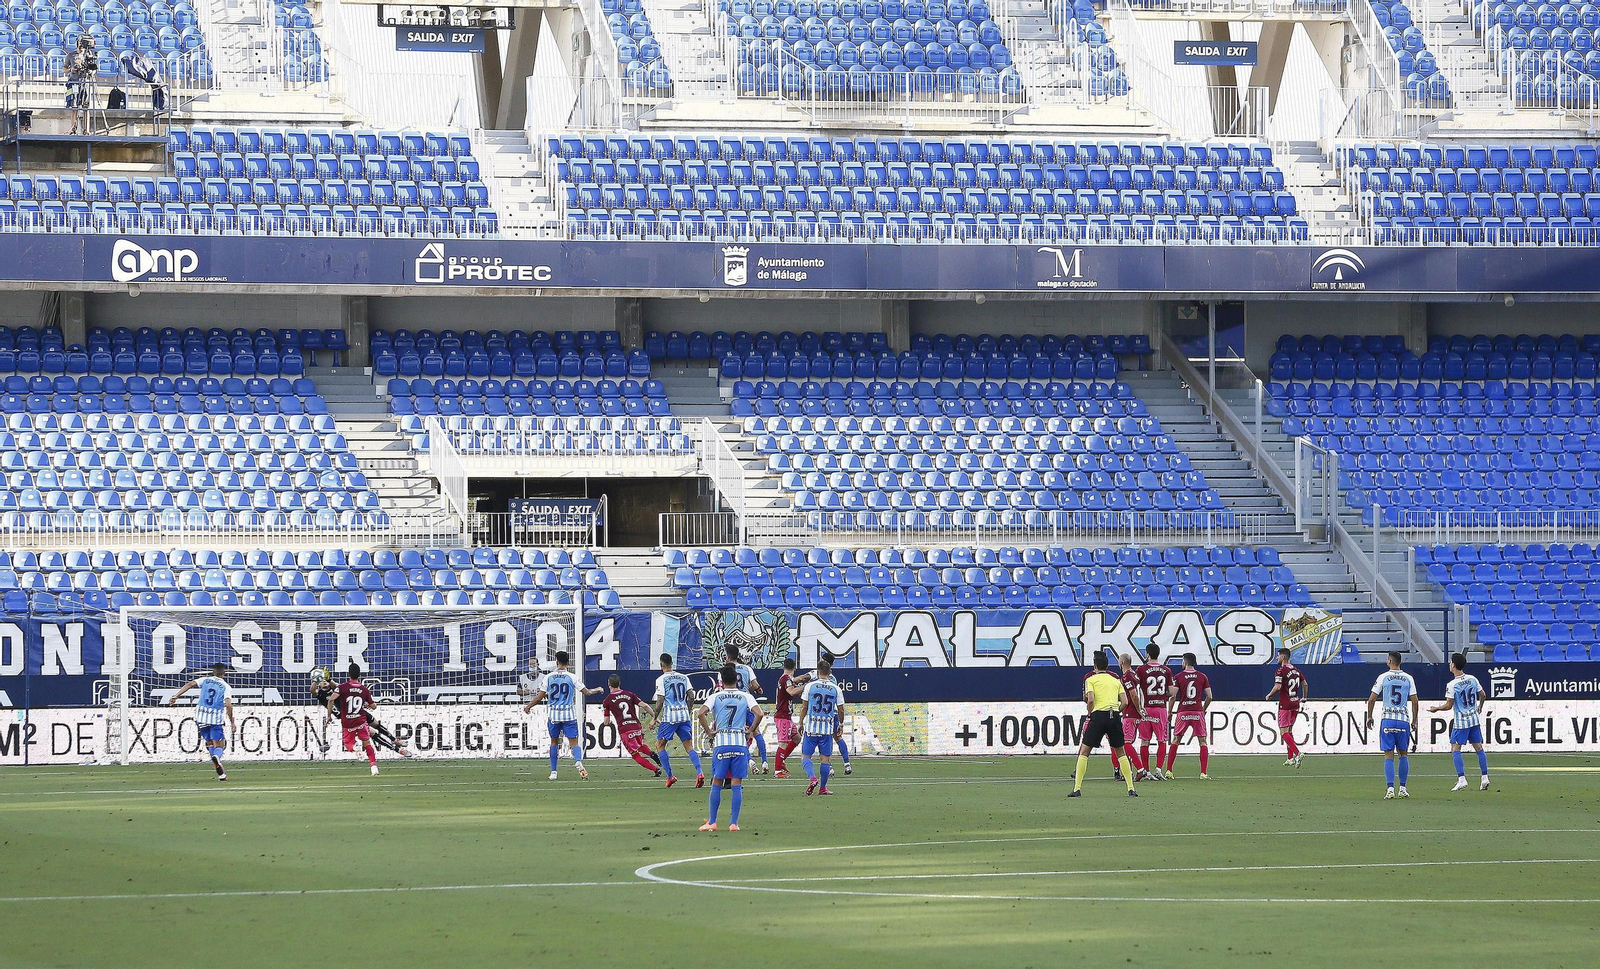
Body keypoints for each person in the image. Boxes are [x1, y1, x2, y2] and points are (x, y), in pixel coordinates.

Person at [696, 665, 761, 832]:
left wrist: (709, 732)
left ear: (722, 681)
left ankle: (712, 821)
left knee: (717, 782)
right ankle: (734, 823)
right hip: (739, 743)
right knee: (736, 783)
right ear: (737, 680)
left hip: (722, 743)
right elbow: (759, 713)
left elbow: (700, 713)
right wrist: (751, 730)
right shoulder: (745, 696)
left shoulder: (716, 696)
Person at [1069, 650, 1139, 797]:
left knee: (1084, 752)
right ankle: (1131, 788)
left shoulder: (1091, 680)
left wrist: (1090, 713)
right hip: (1113, 716)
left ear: (1095, 666)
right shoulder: (1116, 680)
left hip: (1098, 716)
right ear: (1107, 666)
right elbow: (1125, 701)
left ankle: (1077, 788)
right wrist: (1116, 711)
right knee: (1121, 752)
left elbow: (1091, 699)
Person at [310, 667, 411, 760]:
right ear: (319, 683)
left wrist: (328, 679)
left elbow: (337, 686)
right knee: (372, 733)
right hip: (348, 718)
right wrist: (315, 679)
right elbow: (312, 690)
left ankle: (395, 740)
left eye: (325, 680)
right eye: (321, 681)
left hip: (358, 711)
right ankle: (399, 750)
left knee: (376, 724)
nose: (324, 682)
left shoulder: (336, 688)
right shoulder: (320, 694)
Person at [522, 650, 587, 781]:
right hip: (568, 715)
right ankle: (578, 761)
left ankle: (553, 772)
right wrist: (597, 690)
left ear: (556, 662)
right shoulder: (572, 677)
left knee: (553, 742)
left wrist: (529, 706)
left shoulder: (548, 677)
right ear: (568, 663)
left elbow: (540, 697)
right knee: (574, 742)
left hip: (554, 715)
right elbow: (587, 692)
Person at [1430, 652, 1490, 792]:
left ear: (1453, 665)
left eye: (1451, 662)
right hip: (1474, 719)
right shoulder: (1472, 679)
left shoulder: (1452, 684)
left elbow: (1449, 705)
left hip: (1461, 722)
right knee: (1479, 748)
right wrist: (1480, 707)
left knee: (1455, 749)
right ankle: (1485, 777)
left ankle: (1462, 779)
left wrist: (1437, 709)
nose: (1449, 664)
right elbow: (1483, 695)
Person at [166, 663, 235, 781]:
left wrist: (176, 696)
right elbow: (228, 704)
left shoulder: (205, 680)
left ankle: (221, 773)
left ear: (213, 672)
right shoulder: (226, 686)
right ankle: (216, 757)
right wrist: (232, 722)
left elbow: (190, 684)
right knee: (220, 745)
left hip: (201, 716)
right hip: (215, 719)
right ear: (224, 673)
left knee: (209, 743)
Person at [1366, 651, 1419, 799]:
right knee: (1403, 754)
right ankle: (1403, 788)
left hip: (1388, 720)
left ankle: (1390, 789)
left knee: (1388, 755)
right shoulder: (1409, 678)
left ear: (1390, 661)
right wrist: (1414, 721)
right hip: (1403, 720)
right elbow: (1415, 701)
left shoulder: (1383, 677)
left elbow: (1371, 699)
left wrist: (1369, 717)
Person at [652, 652, 704, 788]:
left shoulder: (661, 679)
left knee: (660, 745)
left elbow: (660, 700)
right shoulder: (684, 677)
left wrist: (654, 718)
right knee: (689, 747)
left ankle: (670, 776)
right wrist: (687, 709)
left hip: (670, 718)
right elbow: (691, 696)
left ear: (661, 664)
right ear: (672, 664)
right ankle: (700, 773)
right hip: (684, 716)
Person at [600, 674, 662, 777]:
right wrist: (655, 718)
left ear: (609, 684)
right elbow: (645, 705)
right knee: (640, 745)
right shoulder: (629, 694)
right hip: (636, 726)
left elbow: (606, 721)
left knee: (635, 755)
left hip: (625, 730)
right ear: (619, 683)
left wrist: (609, 723)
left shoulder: (607, 700)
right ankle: (651, 754)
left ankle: (655, 770)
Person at [799, 659, 845, 796]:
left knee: (805, 756)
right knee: (825, 759)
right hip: (827, 729)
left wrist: (800, 722)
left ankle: (812, 778)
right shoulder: (836, 689)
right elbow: (841, 710)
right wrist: (841, 724)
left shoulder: (810, 687)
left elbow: (804, 707)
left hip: (812, 727)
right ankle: (823, 788)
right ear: (829, 672)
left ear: (818, 672)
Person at [327, 663, 381, 776]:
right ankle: (374, 766)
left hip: (347, 722)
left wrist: (329, 716)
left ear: (348, 674)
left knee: (347, 743)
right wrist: (366, 704)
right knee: (367, 743)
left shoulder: (342, 687)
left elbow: (331, 700)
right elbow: (374, 706)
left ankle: (356, 750)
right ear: (359, 675)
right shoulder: (364, 689)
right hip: (360, 720)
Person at [1166, 653, 1212, 779]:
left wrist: (1169, 711)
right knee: (1202, 741)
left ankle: (1169, 771)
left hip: (1183, 712)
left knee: (1176, 740)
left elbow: (1173, 695)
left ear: (1185, 662)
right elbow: (1209, 696)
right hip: (1197, 711)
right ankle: (1203, 773)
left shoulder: (1179, 676)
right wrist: (1203, 709)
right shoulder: (1202, 676)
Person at [726, 645, 770, 774]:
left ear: (728, 656)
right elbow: (755, 685)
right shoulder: (747, 668)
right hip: (747, 702)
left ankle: (750, 761)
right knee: (756, 732)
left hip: (734, 704)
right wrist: (755, 689)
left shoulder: (726, 670)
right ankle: (765, 761)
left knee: (739, 734)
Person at [1266, 647, 1307, 767]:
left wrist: (1269, 695)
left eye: (1278, 656)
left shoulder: (1280, 671)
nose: (1277, 658)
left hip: (1285, 704)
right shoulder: (1296, 670)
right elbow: (1305, 684)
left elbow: (1278, 686)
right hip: (1295, 703)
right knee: (1289, 731)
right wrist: (1304, 697)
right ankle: (1290, 758)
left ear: (1283, 657)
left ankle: (1297, 753)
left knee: (1283, 732)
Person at [1136, 644, 1173, 780]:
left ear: (1147, 654)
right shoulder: (1166, 670)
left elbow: (1135, 688)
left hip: (1145, 708)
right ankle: (1158, 768)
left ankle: (1146, 771)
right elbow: (1171, 691)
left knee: (1144, 741)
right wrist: (1165, 695)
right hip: (1160, 708)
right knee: (1162, 740)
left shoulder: (1141, 669)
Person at [773, 658, 811, 777]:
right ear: (794, 668)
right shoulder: (785, 679)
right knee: (783, 743)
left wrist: (804, 678)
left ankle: (782, 760)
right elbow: (792, 692)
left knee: (797, 738)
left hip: (786, 716)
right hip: (782, 716)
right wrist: (806, 686)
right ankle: (777, 771)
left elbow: (794, 685)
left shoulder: (786, 679)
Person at [1117, 652, 1146, 780]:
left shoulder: (1127, 676)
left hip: (1130, 713)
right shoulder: (1134, 674)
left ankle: (1140, 769)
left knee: (1126, 743)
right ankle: (1129, 772)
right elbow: (1140, 693)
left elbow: (1133, 695)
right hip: (1134, 713)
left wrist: (1139, 709)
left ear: (1122, 662)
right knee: (1127, 744)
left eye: (1119, 661)